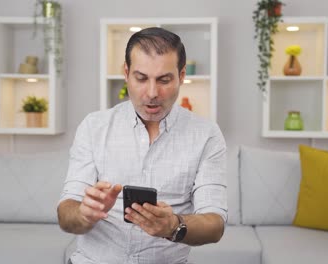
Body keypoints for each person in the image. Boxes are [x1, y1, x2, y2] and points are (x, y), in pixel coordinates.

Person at [57, 27, 227, 264]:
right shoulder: (93, 127)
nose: (152, 93)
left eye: (164, 80)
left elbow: (215, 223)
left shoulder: (206, 135)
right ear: (126, 73)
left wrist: (173, 226)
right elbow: (66, 213)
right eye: (141, 78)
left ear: (182, 75)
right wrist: (84, 213)